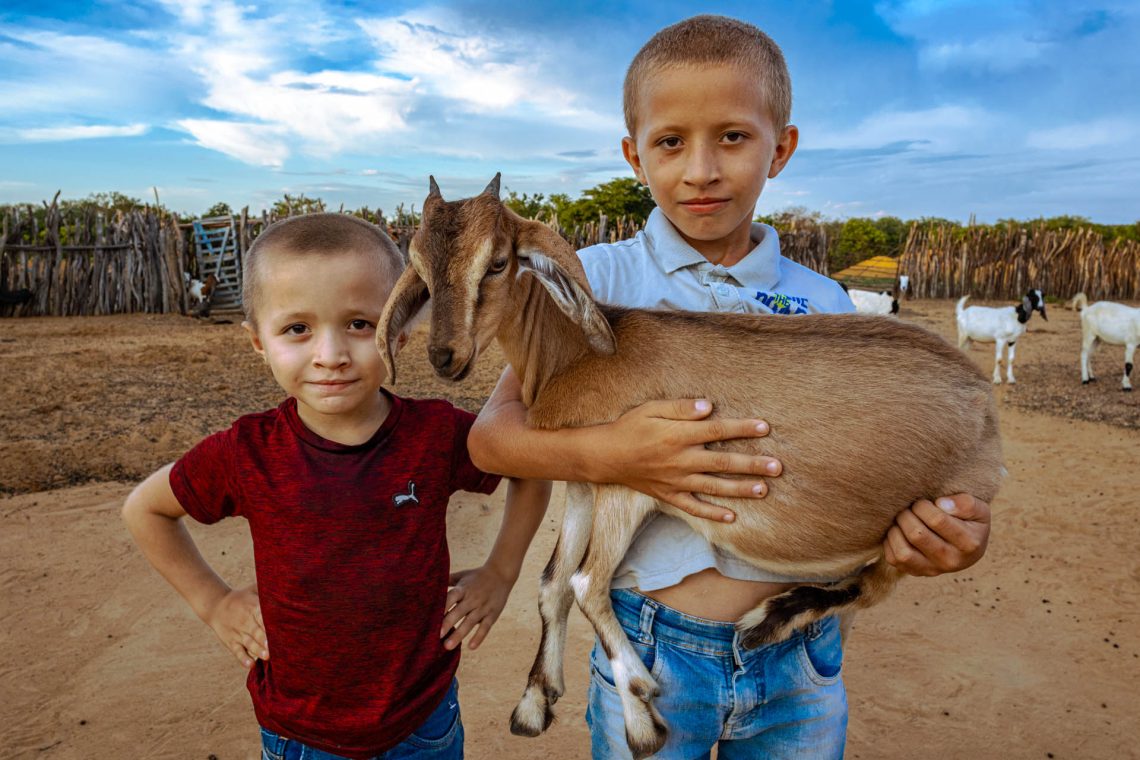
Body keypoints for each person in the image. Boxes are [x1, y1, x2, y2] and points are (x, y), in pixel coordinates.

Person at [467, 15, 991, 759]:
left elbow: (876, 467)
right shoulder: (594, 278)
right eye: (670, 142)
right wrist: (615, 455)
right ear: (634, 155)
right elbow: (492, 438)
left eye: (734, 137)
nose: (701, 170)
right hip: (650, 645)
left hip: (801, 649)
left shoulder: (826, 306)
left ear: (781, 149)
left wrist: (939, 532)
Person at [121, 213, 551, 760]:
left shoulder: (437, 434)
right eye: (297, 329)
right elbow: (145, 510)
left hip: (424, 721)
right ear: (257, 341)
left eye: (360, 324)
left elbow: (529, 467)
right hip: (300, 734)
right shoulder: (246, 452)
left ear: (399, 331)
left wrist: (501, 572)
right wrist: (214, 603)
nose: (331, 354)